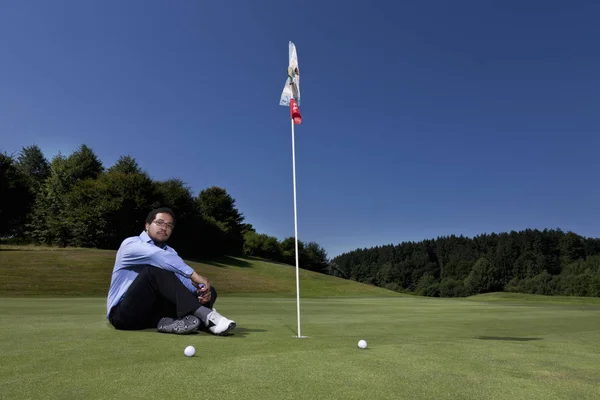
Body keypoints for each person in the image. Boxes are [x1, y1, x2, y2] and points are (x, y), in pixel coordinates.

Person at [106, 207, 236, 335]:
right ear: (147, 225)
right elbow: (156, 256)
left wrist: (202, 291)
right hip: (124, 315)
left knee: (210, 289)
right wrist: (194, 275)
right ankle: (206, 316)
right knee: (153, 271)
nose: (164, 228)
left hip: (152, 314)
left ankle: (180, 321)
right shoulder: (130, 244)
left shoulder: (171, 252)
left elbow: (182, 280)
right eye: (160, 223)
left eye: (169, 226)